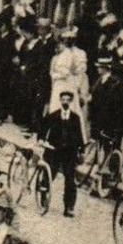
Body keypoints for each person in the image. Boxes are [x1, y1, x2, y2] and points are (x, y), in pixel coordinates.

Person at [40, 89, 86, 217]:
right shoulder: (54, 115)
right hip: (54, 151)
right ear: (60, 101)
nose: (65, 102)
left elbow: (79, 135)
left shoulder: (75, 118)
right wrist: (41, 139)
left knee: (70, 179)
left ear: (71, 102)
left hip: (69, 153)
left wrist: (81, 151)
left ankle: (69, 207)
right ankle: (43, 195)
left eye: (68, 100)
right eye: (63, 100)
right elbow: (44, 128)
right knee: (49, 175)